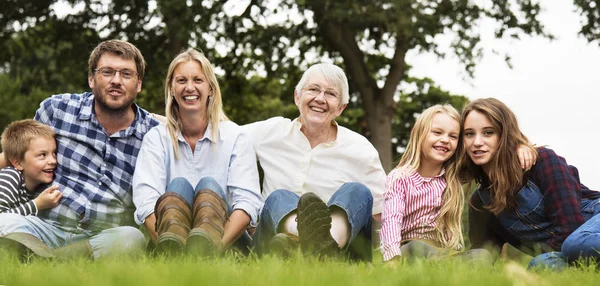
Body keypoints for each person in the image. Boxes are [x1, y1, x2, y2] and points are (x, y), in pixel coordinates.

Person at [0, 39, 160, 260]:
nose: (116, 81)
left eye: (126, 74)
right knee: (3, 221)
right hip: (45, 228)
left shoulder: (154, 135)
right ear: (91, 79)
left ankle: (43, 261)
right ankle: (56, 260)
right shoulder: (57, 110)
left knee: (132, 238)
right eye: (107, 72)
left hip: (102, 237)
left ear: (139, 83)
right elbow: (18, 155)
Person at [245, 63, 386, 261]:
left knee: (358, 191)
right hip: (271, 243)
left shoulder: (360, 149)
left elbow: (387, 213)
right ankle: (318, 248)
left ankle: (324, 247)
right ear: (297, 97)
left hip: (342, 252)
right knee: (278, 197)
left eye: (330, 94)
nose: (320, 99)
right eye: (313, 89)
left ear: (341, 108)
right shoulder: (270, 132)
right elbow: (223, 136)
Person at [132, 48, 262, 256]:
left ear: (210, 88)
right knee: (178, 187)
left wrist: (215, 249)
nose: (189, 87)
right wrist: (170, 247)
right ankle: (175, 250)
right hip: (170, 241)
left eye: (198, 80)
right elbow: (146, 202)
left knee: (208, 186)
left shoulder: (235, 136)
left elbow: (247, 202)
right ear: (171, 88)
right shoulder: (156, 138)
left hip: (225, 241)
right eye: (182, 80)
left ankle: (204, 250)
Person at [459, 97, 600, 270]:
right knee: (539, 265)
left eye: (488, 132)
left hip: (590, 224)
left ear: (504, 134)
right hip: (561, 253)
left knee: (576, 245)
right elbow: (483, 251)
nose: (477, 142)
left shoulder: (542, 161)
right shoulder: (480, 202)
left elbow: (569, 225)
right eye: (469, 134)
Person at [0, 119, 62, 215]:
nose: (53, 161)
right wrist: (37, 204)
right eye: (42, 155)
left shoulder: (37, 187)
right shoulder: (10, 176)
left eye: (54, 153)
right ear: (18, 163)